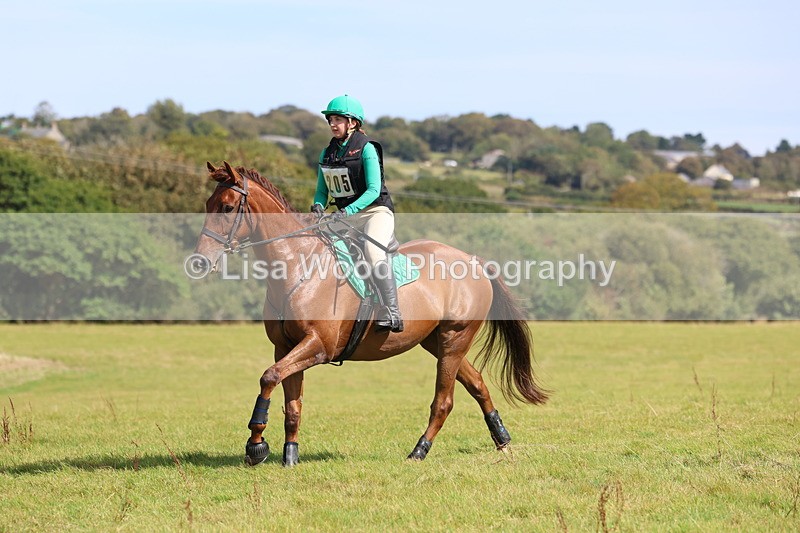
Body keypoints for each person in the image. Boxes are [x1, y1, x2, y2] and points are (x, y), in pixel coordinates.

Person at [311, 94, 403, 333]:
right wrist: (318, 205)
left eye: (338, 119)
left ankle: (392, 312)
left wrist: (347, 210)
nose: (333, 124)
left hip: (375, 212)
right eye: (331, 120)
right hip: (344, 217)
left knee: (372, 251)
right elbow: (321, 191)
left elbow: (373, 189)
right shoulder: (327, 153)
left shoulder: (367, 148)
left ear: (352, 123)